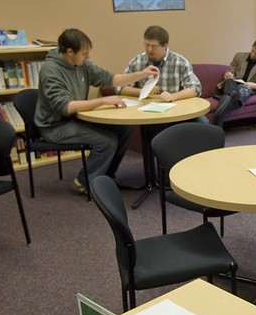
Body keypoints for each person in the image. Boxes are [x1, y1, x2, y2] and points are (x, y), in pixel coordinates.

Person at [34, 28, 159, 195]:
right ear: (70, 51)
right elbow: (65, 107)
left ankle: (105, 177)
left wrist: (141, 75)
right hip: (55, 125)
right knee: (106, 141)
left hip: (74, 118)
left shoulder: (81, 64)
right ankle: (84, 182)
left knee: (124, 130)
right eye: (84, 54)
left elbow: (109, 79)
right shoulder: (51, 71)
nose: (87, 57)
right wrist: (102, 100)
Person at [120, 25, 208, 124]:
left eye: (154, 46)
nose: (149, 50)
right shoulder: (137, 62)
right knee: (154, 128)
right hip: (149, 113)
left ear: (165, 46)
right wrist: (143, 91)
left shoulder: (180, 62)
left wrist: (173, 96)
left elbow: (195, 88)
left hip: (178, 110)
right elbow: (121, 88)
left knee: (204, 124)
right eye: (146, 45)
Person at [212, 39, 256, 128]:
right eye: (253, 51)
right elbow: (230, 71)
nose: (253, 55)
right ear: (251, 48)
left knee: (242, 90)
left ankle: (216, 126)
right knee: (229, 83)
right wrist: (228, 74)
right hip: (232, 83)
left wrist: (254, 85)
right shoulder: (239, 56)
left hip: (247, 87)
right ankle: (233, 95)